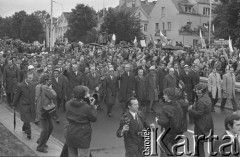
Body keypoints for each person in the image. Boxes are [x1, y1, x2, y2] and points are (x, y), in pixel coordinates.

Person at [65, 86, 97, 157]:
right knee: (83, 154)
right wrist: (93, 107)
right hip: (83, 135)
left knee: (72, 154)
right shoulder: (86, 107)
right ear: (83, 95)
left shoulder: (67, 104)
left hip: (71, 132)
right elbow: (93, 119)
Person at [156, 87, 184, 157]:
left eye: (165, 95)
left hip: (169, 132)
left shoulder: (166, 107)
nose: (163, 96)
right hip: (178, 131)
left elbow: (164, 122)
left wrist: (157, 120)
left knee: (163, 147)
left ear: (169, 96)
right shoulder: (177, 104)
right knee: (172, 148)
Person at [189, 84, 214, 157]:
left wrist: (191, 110)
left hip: (201, 121)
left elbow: (199, 113)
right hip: (208, 120)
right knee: (200, 140)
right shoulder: (207, 98)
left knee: (199, 140)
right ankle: (197, 153)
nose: (196, 91)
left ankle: (200, 155)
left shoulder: (201, 100)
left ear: (200, 91)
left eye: (197, 90)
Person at [36, 74, 56, 153]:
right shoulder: (46, 88)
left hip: (41, 108)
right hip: (45, 109)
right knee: (45, 129)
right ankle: (40, 147)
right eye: (48, 80)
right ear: (46, 80)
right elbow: (54, 96)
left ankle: (41, 141)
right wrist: (51, 88)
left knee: (50, 127)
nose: (49, 81)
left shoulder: (37, 86)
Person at [13, 72, 35, 139]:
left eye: (32, 78)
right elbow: (17, 96)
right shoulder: (20, 86)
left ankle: (24, 127)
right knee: (27, 119)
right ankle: (29, 133)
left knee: (27, 118)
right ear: (26, 78)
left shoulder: (32, 85)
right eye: (29, 78)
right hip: (24, 105)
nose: (31, 79)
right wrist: (14, 104)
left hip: (31, 104)